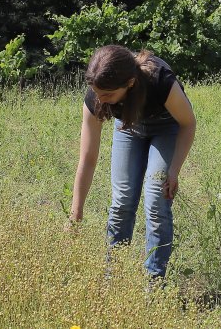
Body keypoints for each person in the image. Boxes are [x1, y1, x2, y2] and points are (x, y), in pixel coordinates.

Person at [67, 46, 197, 279]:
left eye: (107, 94)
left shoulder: (159, 80)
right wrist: (76, 213)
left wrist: (174, 169)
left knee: (157, 198)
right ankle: (114, 277)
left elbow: (188, 123)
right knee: (122, 201)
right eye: (97, 93)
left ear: (130, 83)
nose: (101, 100)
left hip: (167, 129)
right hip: (129, 128)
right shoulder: (97, 97)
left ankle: (154, 283)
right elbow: (87, 158)